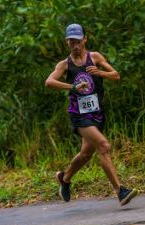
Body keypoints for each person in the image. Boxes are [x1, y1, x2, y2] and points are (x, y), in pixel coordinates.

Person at [45, 23, 138, 206]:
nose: (75, 46)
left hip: (96, 113)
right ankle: (121, 191)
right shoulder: (65, 64)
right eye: (71, 42)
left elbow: (116, 75)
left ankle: (65, 178)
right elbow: (49, 82)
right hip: (78, 114)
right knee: (103, 146)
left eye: (78, 41)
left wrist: (100, 72)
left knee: (86, 154)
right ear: (67, 42)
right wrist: (72, 87)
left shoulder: (94, 57)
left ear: (85, 39)